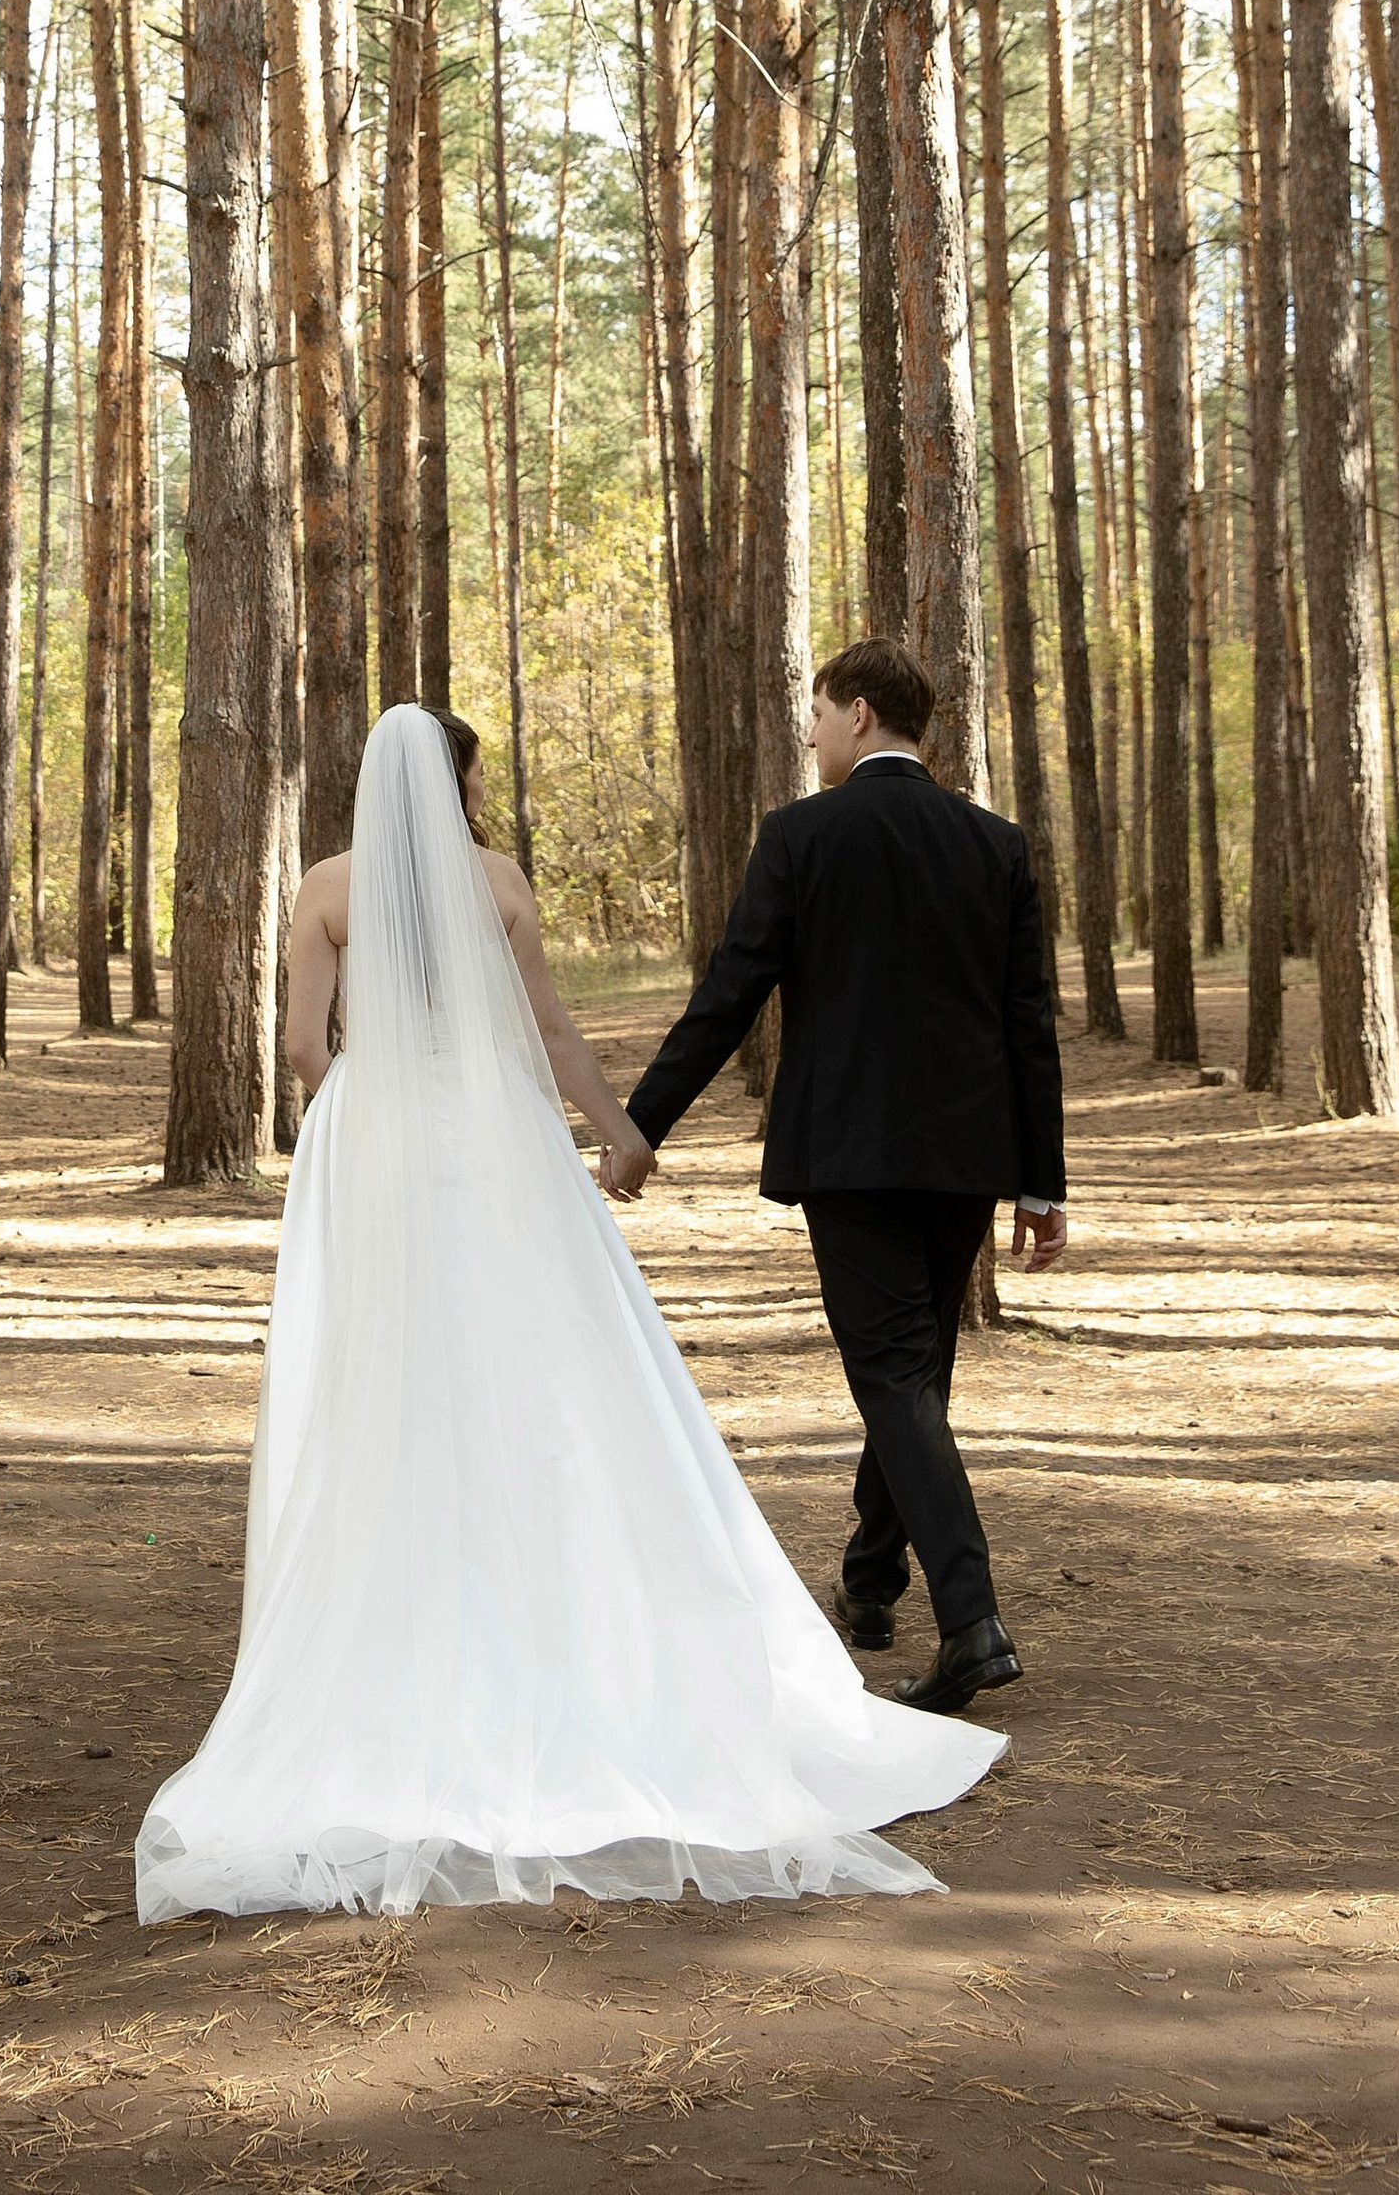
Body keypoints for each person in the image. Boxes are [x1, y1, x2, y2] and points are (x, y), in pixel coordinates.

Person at [133, 699, 1009, 1921]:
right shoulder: (495, 880)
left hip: (375, 1154)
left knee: (384, 1380)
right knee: (544, 1372)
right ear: (458, 780)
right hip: (496, 1146)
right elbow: (548, 1031)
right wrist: (619, 1135)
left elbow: (300, 1049)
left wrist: (364, 1118)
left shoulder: (326, 887)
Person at [604, 638, 1068, 1721]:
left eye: (815, 713)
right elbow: (1027, 1027)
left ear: (859, 715)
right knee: (914, 1370)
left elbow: (730, 993)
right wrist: (1039, 1182)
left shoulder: (802, 835)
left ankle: (973, 1624)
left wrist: (641, 1126)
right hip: (966, 1154)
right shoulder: (993, 844)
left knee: (894, 1377)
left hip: (852, 1152)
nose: (807, 734)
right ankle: (871, 1580)